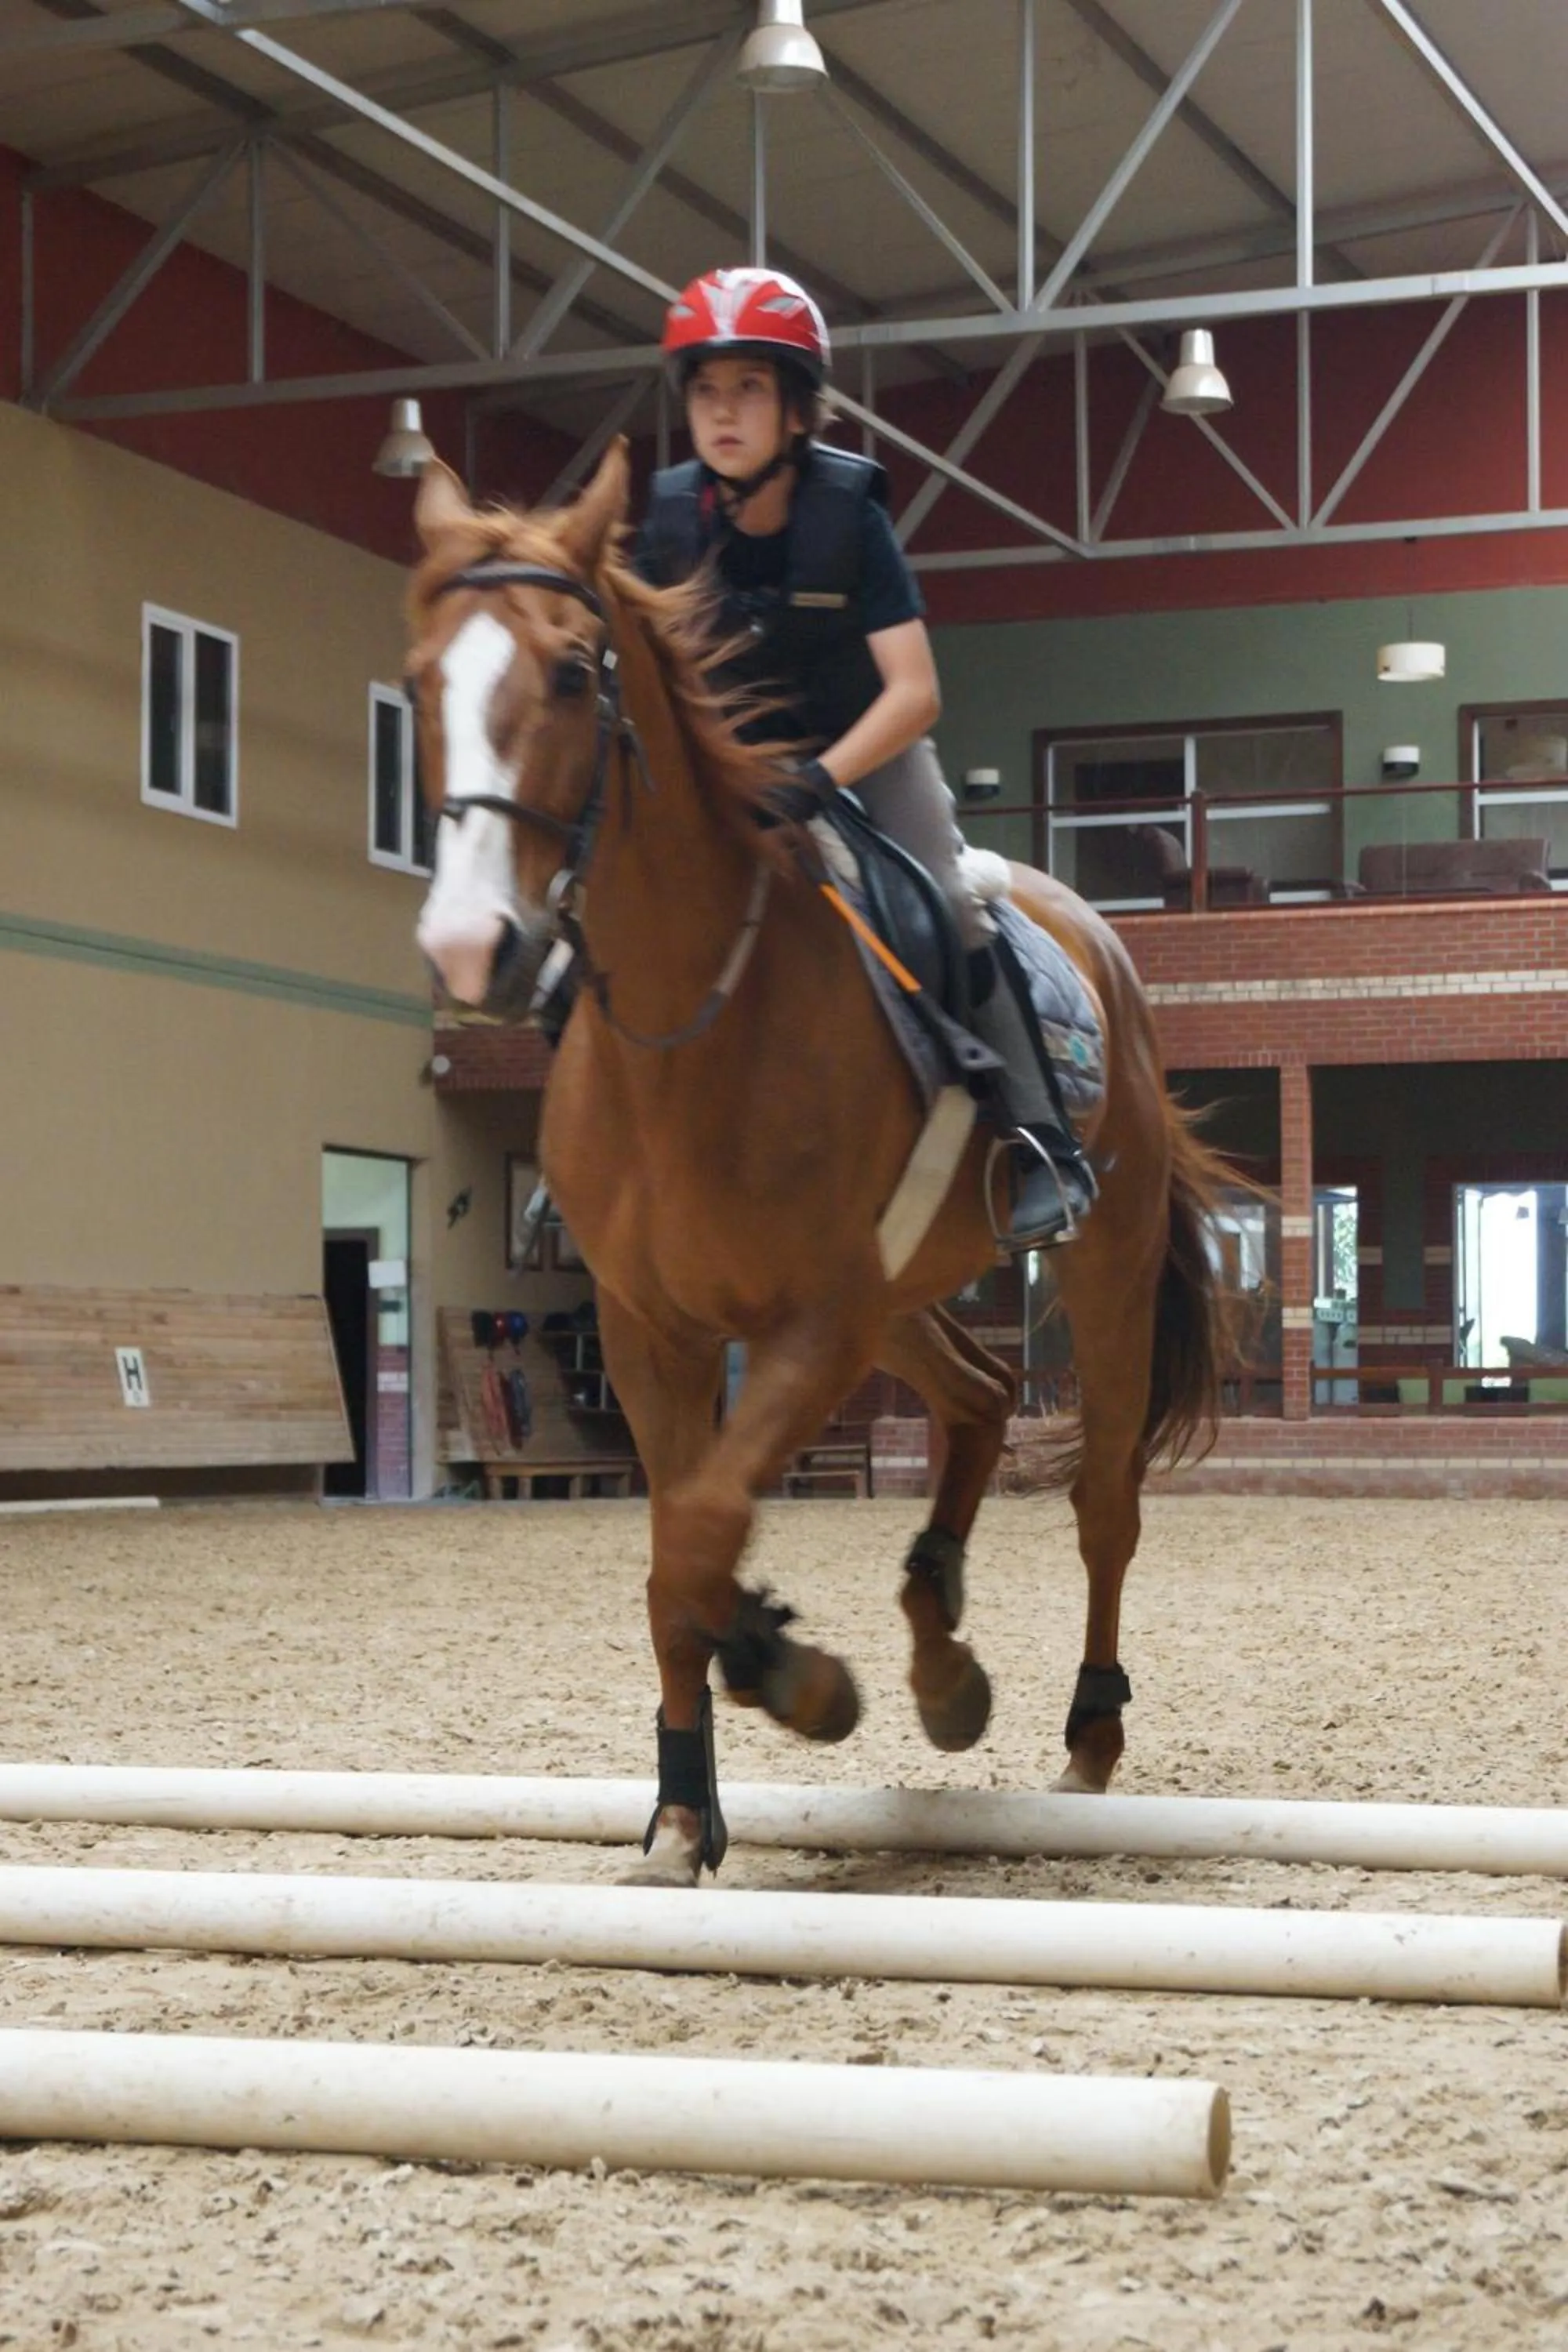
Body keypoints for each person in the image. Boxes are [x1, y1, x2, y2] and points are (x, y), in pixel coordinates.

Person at [630, 266, 1095, 1249]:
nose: (723, 411)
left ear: (796, 411)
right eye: (707, 391)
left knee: (951, 897)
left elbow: (914, 690)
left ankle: (1041, 1140)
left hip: (864, 752)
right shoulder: (668, 523)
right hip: (731, 769)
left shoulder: (852, 519)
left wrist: (822, 778)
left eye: (749, 388)